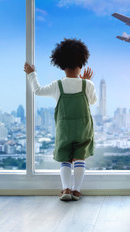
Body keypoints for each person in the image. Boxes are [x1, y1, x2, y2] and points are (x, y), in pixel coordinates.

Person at [24, 38, 97, 201]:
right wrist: (87, 82)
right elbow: (92, 101)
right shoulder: (87, 85)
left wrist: (31, 74)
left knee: (65, 158)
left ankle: (65, 190)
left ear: (61, 64)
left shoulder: (57, 85)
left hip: (64, 129)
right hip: (83, 129)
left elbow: (38, 90)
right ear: (82, 62)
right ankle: (77, 191)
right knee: (79, 158)